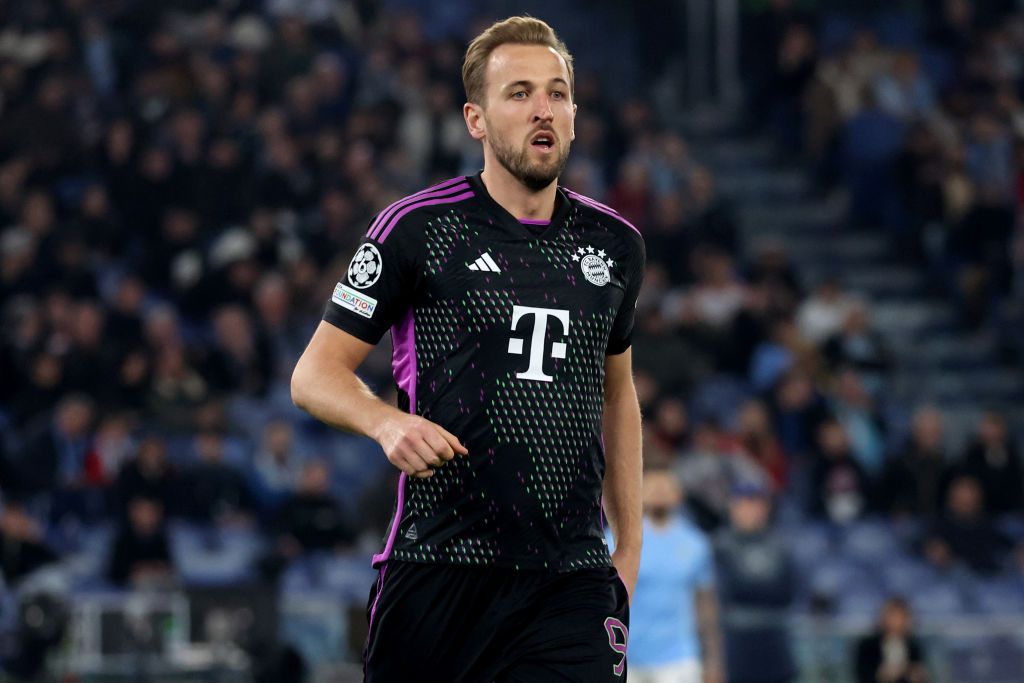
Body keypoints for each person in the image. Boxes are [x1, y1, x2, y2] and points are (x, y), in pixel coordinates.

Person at [291, 16, 644, 683]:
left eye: (558, 92)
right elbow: (313, 375)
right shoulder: (417, 228)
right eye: (519, 92)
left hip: (569, 581)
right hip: (438, 571)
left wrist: (627, 548)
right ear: (475, 119)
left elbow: (618, 391)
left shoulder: (616, 245)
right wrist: (384, 420)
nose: (544, 108)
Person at [613, 467, 723, 683]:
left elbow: (705, 604)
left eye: (666, 486)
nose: (660, 492)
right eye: (653, 486)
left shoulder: (696, 544)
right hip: (628, 657)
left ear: (678, 495)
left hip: (679, 657)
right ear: (639, 493)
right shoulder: (617, 541)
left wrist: (713, 660)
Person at [714, 482, 797, 683]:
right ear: (732, 508)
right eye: (743, 504)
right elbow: (721, 593)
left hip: (775, 641)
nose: (750, 510)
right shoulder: (719, 545)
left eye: (755, 504)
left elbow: (787, 590)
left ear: (766, 508)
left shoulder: (781, 545)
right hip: (736, 643)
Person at [854, 597, 929, 683]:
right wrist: (883, 675)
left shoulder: (914, 647)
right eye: (893, 616)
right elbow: (862, 676)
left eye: (901, 616)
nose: (897, 621)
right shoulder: (867, 646)